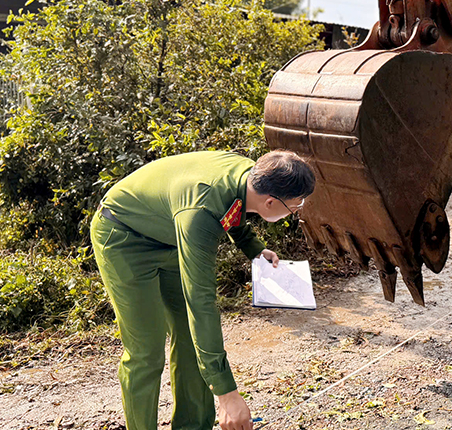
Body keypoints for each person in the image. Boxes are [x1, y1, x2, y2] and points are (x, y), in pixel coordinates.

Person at [91, 150, 315, 430]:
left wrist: (254, 249)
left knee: (188, 336)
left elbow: (232, 209)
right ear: (270, 203)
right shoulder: (200, 214)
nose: (297, 209)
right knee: (146, 350)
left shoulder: (251, 176)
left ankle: (192, 427)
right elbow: (201, 302)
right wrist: (227, 395)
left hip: (169, 235)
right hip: (123, 237)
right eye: (296, 205)